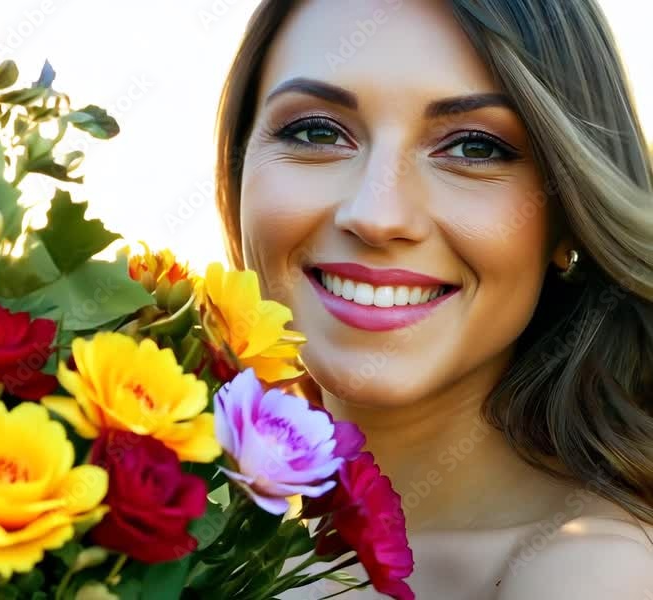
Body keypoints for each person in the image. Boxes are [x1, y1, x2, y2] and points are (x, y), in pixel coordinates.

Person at [214, 0, 653, 597]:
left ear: (570, 212)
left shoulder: (590, 572)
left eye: (474, 148)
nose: (376, 214)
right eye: (317, 132)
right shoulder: (212, 535)